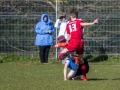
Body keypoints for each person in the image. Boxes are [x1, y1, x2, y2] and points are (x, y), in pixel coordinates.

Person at [58, 9, 99, 81]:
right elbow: (83, 24)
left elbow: (68, 36)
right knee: (81, 60)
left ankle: (68, 55)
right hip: (80, 42)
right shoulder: (79, 21)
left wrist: (67, 43)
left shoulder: (68, 24)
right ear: (76, 16)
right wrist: (93, 23)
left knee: (61, 55)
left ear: (71, 16)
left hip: (73, 42)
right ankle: (85, 77)